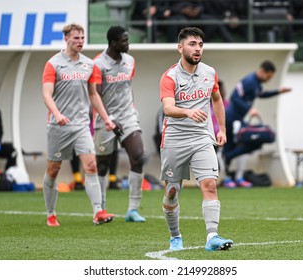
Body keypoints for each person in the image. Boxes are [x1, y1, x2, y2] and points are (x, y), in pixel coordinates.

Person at [159, 27, 233, 251]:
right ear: (180, 47)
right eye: (192, 44)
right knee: (172, 192)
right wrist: (188, 111)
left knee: (210, 184)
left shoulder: (210, 72)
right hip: (175, 139)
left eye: (200, 44)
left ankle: (212, 236)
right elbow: (168, 108)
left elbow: (217, 99)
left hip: (202, 137)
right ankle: (175, 236)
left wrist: (222, 129)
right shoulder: (169, 77)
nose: (197, 48)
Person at [41, 23, 116, 227]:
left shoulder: (89, 65)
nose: (80, 41)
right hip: (58, 126)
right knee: (53, 169)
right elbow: (47, 94)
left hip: (82, 125)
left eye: (82, 38)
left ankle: (98, 212)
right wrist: (57, 114)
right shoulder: (53, 64)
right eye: (76, 38)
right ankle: (51, 213)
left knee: (91, 166)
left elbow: (93, 94)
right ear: (66, 38)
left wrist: (106, 118)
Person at [93, 26, 146, 222]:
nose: (128, 44)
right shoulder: (98, 64)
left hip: (127, 116)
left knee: (138, 157)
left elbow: (127, 88)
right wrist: (108, 118)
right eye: (124, 40)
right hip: (104, 119)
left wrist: (131, 108)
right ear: (113, 43)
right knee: (103, 165)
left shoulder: (130, 61)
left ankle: (132, 210)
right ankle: (101, 209)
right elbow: (95, 95)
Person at [222, 61, 292, 188]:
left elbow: (262, 94)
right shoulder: (249, 81)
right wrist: (249, 110)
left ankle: (237, 174)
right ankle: (227, 177)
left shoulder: (257, 84)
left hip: (239, 120)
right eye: (269, 76)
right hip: (231, 119)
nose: (269, 79)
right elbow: (234, 98)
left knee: (250, 143)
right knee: (230, 146)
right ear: (262, 71)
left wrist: (279, 91)